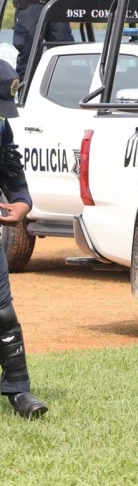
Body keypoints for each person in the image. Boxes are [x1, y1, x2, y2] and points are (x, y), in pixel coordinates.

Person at [0, 61, 48, 418]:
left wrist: (21, 201)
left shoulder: (1, 126)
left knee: (3, 312)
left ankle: (19, 390)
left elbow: (10, 167)